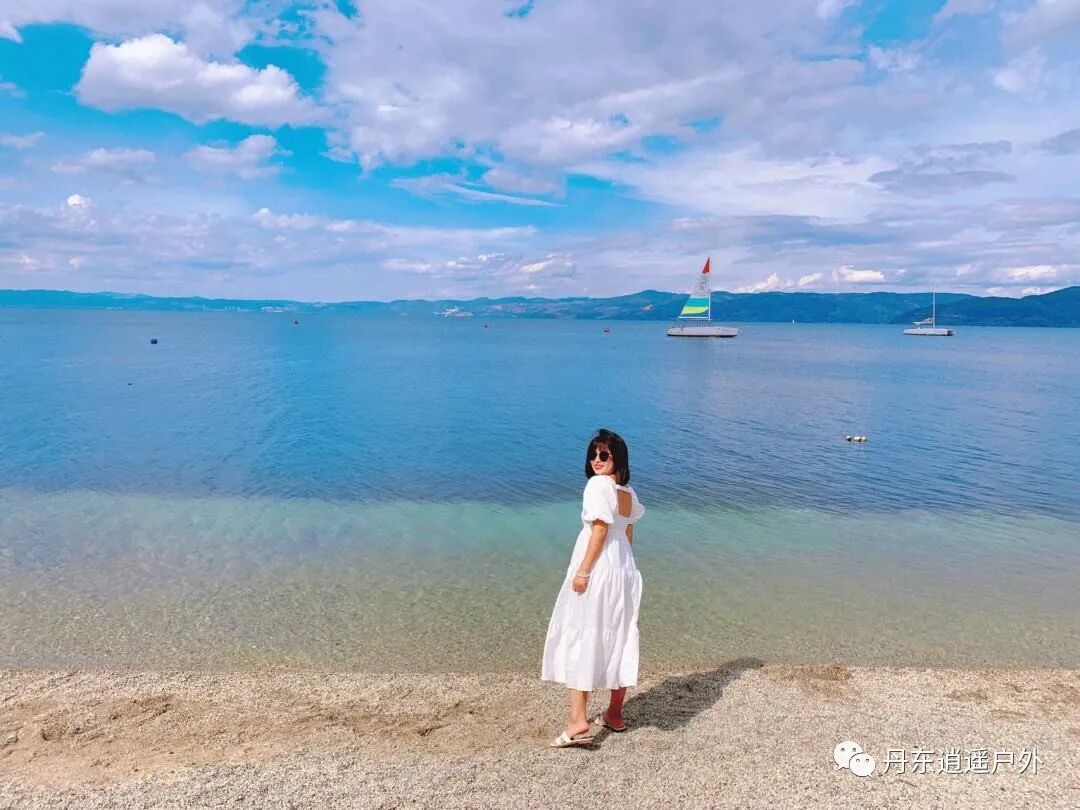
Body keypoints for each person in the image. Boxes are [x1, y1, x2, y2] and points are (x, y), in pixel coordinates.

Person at [541, 428, 645, 747]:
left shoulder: (597, 485)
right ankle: (614, 714)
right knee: (619, 635)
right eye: (593, 454)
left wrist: (583, 571)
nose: (596, 460)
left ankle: (577, 721)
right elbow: (627, 533)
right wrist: (620, 569)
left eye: (604, 455)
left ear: (617, 459)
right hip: (623, 570)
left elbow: (599, 530)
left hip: (599, 568)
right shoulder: (627, 492)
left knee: (582, 634)